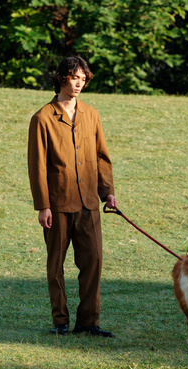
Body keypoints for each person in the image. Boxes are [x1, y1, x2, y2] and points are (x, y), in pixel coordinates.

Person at [27, 56, 117, 338]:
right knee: (56, 266)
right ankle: (60, 321)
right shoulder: (42, 118)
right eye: (73, 77)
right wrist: (43, 206)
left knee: (93, 262)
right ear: (61, 78)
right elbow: (37, 165)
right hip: (58, 204)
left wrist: (108, 192)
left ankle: (89, 322)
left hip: (89, 203)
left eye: (83, 78)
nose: (78, 83)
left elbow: (102, 157)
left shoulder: (92, 114)